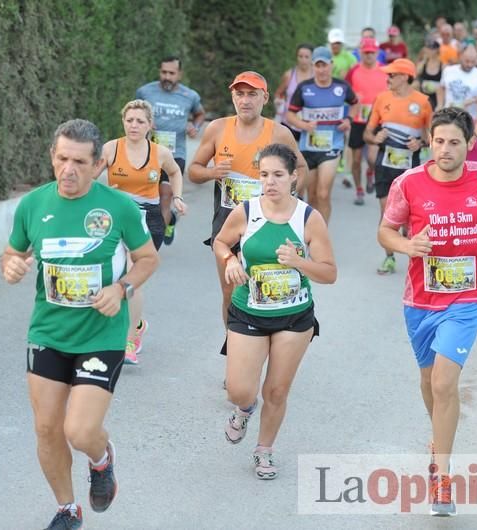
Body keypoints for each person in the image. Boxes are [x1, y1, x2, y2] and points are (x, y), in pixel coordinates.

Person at [2, 119, 160, 529]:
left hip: (101, 334)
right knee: (46, 427)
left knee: (80, 430)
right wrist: (12, 266)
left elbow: (147, 259)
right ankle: (67, 509)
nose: (67, 170)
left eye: (78, 161)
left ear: (97, 164)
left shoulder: (119, 207)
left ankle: (101, 459)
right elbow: (12, 252)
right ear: (52, 157)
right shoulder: (33, 205)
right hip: (48, 332)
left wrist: (121, 288)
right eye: (61, 159)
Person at [378, 107, 477, 516]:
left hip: (467, 299)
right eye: (438, 141)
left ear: (470, 145)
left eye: (454, 142)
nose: (445, 149)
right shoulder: (408, 183)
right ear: (429, 141)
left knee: (443, 383)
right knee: (429, 382)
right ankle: (439, 441)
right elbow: (385, 231)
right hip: (420, 301)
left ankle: (442, 476)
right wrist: (406, 246)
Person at [213, 143, 336, 480]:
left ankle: (264, 450)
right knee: (240, 390)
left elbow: (329, 273)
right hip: (248, 312)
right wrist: (231, 260)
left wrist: (299, 262)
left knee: (277, 391)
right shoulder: (245, 211)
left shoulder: (309, 218)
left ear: (294, 177)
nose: (270, 182)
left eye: (278, 175)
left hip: (294, 317)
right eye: (264, 175)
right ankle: (244, 409)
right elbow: (221, 242)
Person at [189, 71, 307, 354]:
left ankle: (265, 344)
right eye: (239, 94)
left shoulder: (279, 133)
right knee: (230, 291)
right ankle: (236, 350)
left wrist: (286, 196)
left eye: (252, 94)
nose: (245, 100)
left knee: (262, 288)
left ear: (265, 98)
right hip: (228, 223)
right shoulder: (217, 128)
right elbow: (193, 171)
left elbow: (300, 168)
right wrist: (211, 172)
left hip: (267, 224)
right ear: (232, 97)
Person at [99, 100, 187, 364]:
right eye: (129, 120)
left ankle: (129, 341)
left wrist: (178, 197)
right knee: (113, 275)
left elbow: (174, 172)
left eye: (140, 121)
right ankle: (131, 327)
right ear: (123, 122)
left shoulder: (159, 153)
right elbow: (90, 176)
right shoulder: (111, 148)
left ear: (150, 125)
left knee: (131, 276)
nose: (134, 125)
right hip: (116, 217)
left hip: (149, 218)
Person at [364, 58, 433, 274]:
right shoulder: (381, 98)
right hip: (384, 165)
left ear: (405, 77)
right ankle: (389, 257)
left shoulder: (422, 102)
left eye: (392, 75)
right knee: (387, 214)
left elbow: (433, 137)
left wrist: (420, 143)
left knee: (410, 217)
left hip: (409, 168)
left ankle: (413, 253)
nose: (388, 79)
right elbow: (367, 133)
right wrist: (376, 138)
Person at [135, 56, 204, 246]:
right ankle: (170, 219)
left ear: (179, 74)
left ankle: (152, 244)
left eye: (171, 73)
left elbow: (200, 113)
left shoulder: (190, 96)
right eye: (164, 72)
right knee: (149, 197)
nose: (167, 77)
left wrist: (195, 127)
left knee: (165, 196)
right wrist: (142, 121)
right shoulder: (145, 91)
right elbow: (133, 112)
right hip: (147, 154)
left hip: (175, 155)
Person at [286, 46, 358, 223]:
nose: (322, 69)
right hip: (308, 147)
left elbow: (356, 104)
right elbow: (290, 114)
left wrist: (348, 120)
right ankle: (312, 231)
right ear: (313, 67)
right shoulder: (305, 88)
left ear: (331, 65)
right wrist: (303, 124)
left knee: (324, 193)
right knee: (312, 196)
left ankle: (322, 235)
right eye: (318, 66)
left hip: (332, 146)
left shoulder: (341, 87)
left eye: (325, 65)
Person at [344, 37, 387, 204]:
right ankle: (359, 189)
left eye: (372, 53)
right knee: (355, 159)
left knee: (372, 157)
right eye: (366, 52)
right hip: (358, 119)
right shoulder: (353, 71)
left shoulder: (385, 70)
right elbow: (344, 93)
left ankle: (370, 172)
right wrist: (353, 98)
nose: (369, 55)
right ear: (361, 52)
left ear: (377, 53)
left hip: (378, 119)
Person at [437, 46, 477, 118]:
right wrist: (439, 105)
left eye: (473, 62)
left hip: (468, 119)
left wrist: (473, 100)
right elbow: (441, 87)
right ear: (460, 56)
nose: (469, 64)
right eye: (467, 61)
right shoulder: (448, 70)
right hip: (447, 115)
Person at [274, 44, 315, 141]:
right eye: (300, 56)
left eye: (306, 57)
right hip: (289, 123)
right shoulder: (289, 75)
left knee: (306, 155)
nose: (303, 60)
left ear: (312, 58)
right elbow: (279, 93)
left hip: (309, 124)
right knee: (287, 154)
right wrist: (279, 102)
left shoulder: (317, 77)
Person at [416, 38, 443, 110]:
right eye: (428, 48)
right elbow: (416, 73)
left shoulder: (442, 65)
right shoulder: (423, 63)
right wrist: (424, 59)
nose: (429, 51)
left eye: (431, 49)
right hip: (424, 94)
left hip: (436, 96)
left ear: (437, 50)